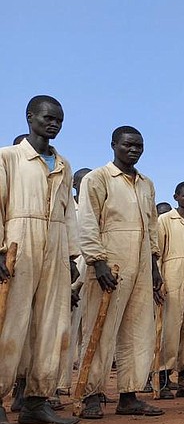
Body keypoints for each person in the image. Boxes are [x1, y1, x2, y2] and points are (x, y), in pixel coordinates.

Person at [0, 96, 80, 424]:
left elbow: (69, 213)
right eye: (48, 118)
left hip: (57, 243)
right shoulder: (9, 157)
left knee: (53, 324)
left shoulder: (63, 163)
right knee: (11, 322)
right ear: (29, 117)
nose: (54, 124)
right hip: (20, 238)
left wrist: (73, 256)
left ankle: (36, 400)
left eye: (59, 120)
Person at [77, 126, 164, 419]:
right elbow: (87, 221)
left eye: (139, 145)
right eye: (128, 144)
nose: (134, 150)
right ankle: (91, 393)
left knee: (138, 330)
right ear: (113, 145)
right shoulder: (97, 178)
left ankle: (129, 395)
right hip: (109, 261)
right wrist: (97, 261)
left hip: (141, 263)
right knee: (100, 329)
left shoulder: (146, 183)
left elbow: (151, 227)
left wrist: (153, 265)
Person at [156, 181, 184, 398]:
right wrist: (157, 281)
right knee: (170, 328)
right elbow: (157, 253)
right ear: (176, 197)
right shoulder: (165, 220)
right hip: (172, 274)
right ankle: (163, 379)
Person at [57, 167, 92, 398]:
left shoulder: (96, 209)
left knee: (87, 330)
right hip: (69, 271)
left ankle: (87, 385)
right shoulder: (70, 209)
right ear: (76, 185)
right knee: (65, 330)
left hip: (90, 273)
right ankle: (59, 384)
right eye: (83, 182)